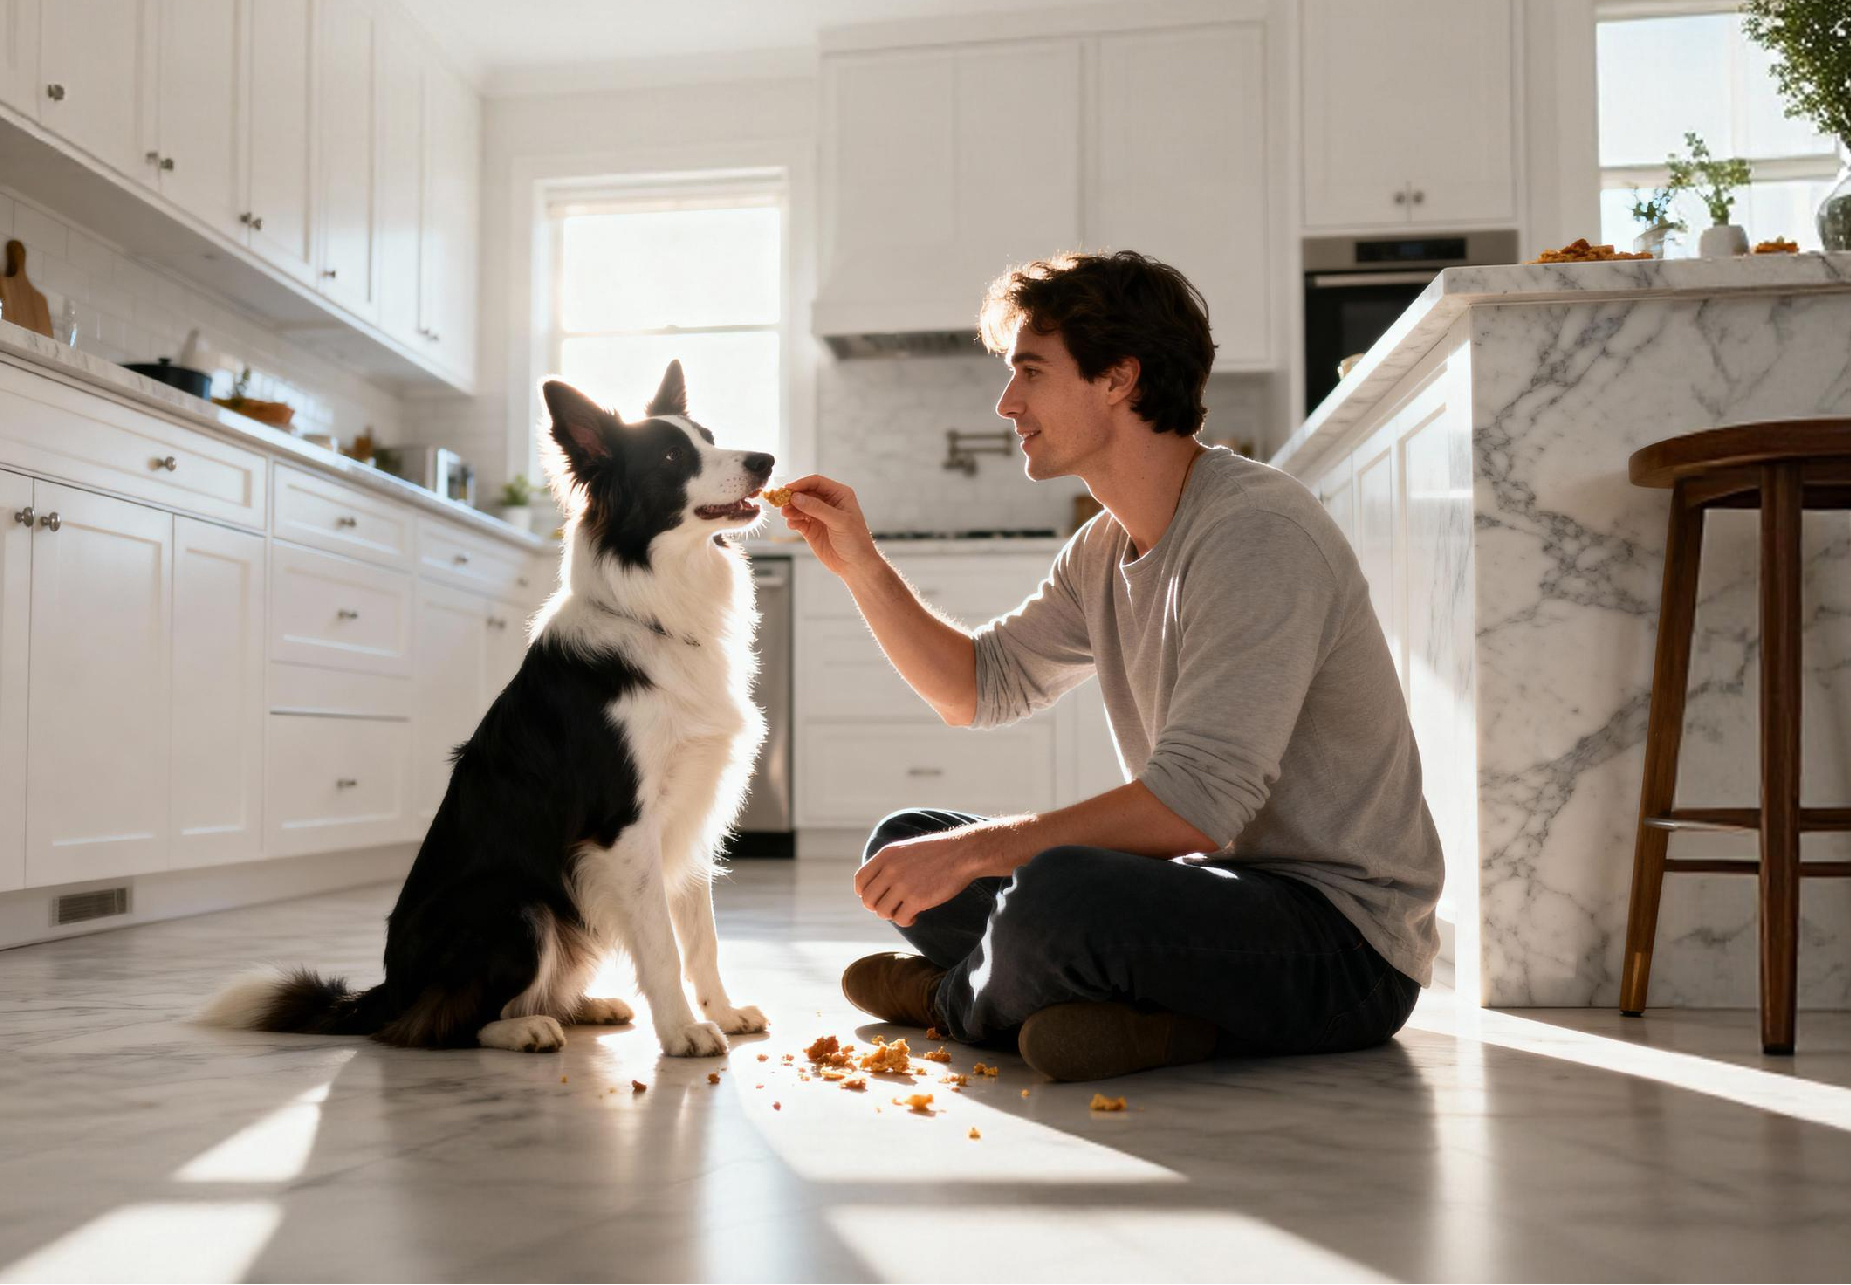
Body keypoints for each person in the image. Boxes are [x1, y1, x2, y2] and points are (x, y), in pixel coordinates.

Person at [772, 251, 1443, 1082]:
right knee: (908, 841)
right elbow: (975, 688)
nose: (1006, 402)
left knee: (1055, 894)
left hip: (1342, 946)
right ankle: (1127, 1018)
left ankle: (952, 1000)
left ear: (1118, 378)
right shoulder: (1100, 547)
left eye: (1029, 371)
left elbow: (1196, 804)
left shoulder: (1256, 531)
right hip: (1214, 902)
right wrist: (862, 568)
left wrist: (983, 854)